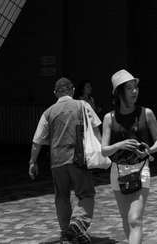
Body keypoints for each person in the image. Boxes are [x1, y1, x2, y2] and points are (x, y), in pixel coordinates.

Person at [29, 77, 102, 244]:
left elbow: (37, 141)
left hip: (57, 161)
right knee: (86, 194)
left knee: (61, 196)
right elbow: (96, 129)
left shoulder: (48, 112)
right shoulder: (82, 105)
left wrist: (32, 162)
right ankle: (77, 223)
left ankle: (65, 232)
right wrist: (101, 152)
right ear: (73, 90)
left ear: (55, 93)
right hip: (78, 158)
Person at [101, 70, 157, 244]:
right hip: (118, 171)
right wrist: (119, 145)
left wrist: (149, 150)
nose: (135, 91)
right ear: (119, 92)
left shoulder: (147, 113)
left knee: (134, 219)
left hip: (141, 169)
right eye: (129, 88)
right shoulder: (109, 118)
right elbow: (104, 151)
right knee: (126, 218)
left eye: (135, 87)